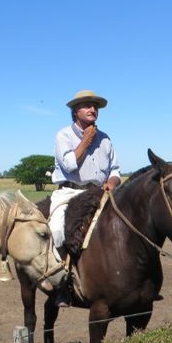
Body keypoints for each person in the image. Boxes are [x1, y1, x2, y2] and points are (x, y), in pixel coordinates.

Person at [46, 90, 121, 306]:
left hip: (99, 193)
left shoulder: (105, 139)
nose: (93, 109)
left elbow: (115, 169)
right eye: (87, 106)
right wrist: (86, 140)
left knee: (122, 226)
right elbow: (69, 164)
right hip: (70, 192)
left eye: (95, 106)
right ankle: (61, 285)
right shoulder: (63, 136)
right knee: (58, 231)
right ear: (75, 111)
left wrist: (112, 183)